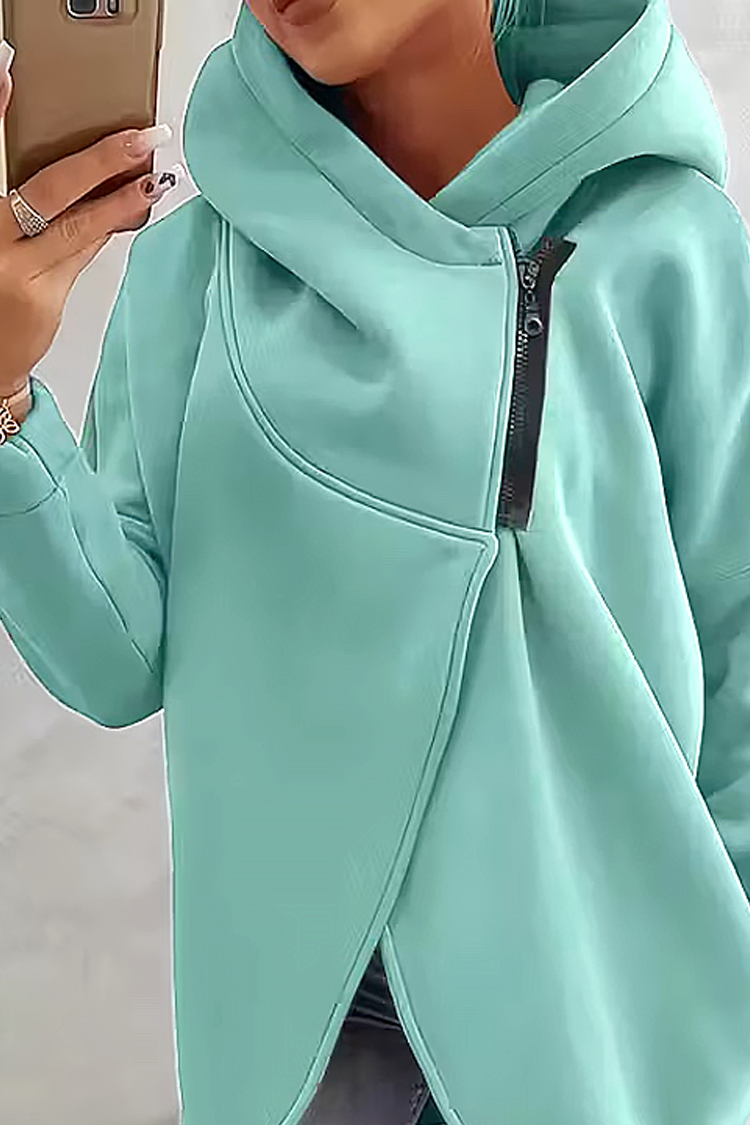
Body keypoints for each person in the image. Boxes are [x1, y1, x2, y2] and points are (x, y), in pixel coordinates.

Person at [1, 0, 750, 1123]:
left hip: (608, 1038)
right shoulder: (199, 268)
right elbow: (115, 658)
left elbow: (740, 661)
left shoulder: (666, 245)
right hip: (311, 1049)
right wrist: (5, 398)